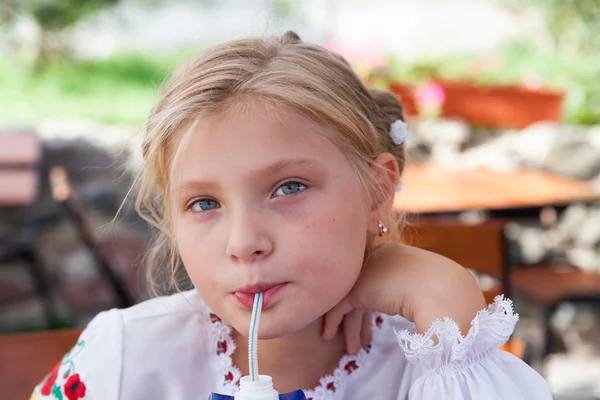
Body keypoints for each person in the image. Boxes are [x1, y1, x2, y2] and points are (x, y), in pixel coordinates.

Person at [31, 31, 551, 400]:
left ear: (377, 191)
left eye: (288, 187)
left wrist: (445, 297)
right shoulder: (126, 360)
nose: (244, 242)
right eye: (204, 203)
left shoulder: (434, 366)